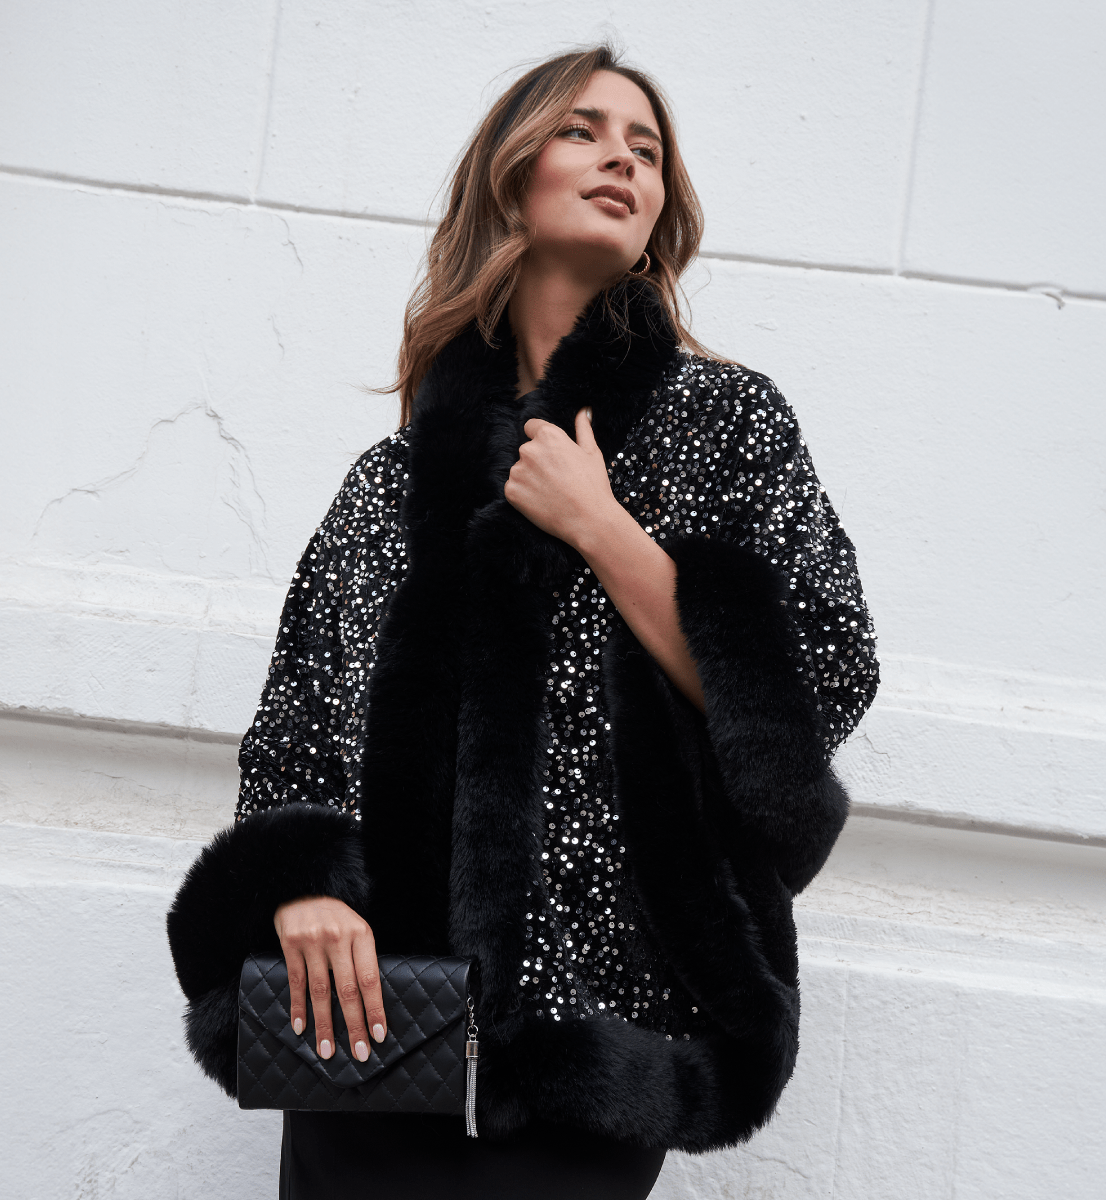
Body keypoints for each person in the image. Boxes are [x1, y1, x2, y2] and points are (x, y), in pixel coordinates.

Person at [167, 44, 878, 1200]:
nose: (623, 160)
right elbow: (294, 737)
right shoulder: (392, 484)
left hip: (600, 1045)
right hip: (376, 1037)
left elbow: (826, 674)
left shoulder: (727, 428)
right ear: (511, 177)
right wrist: (298, 886)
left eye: (647, 149)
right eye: (583, 131)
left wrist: (601, 527)